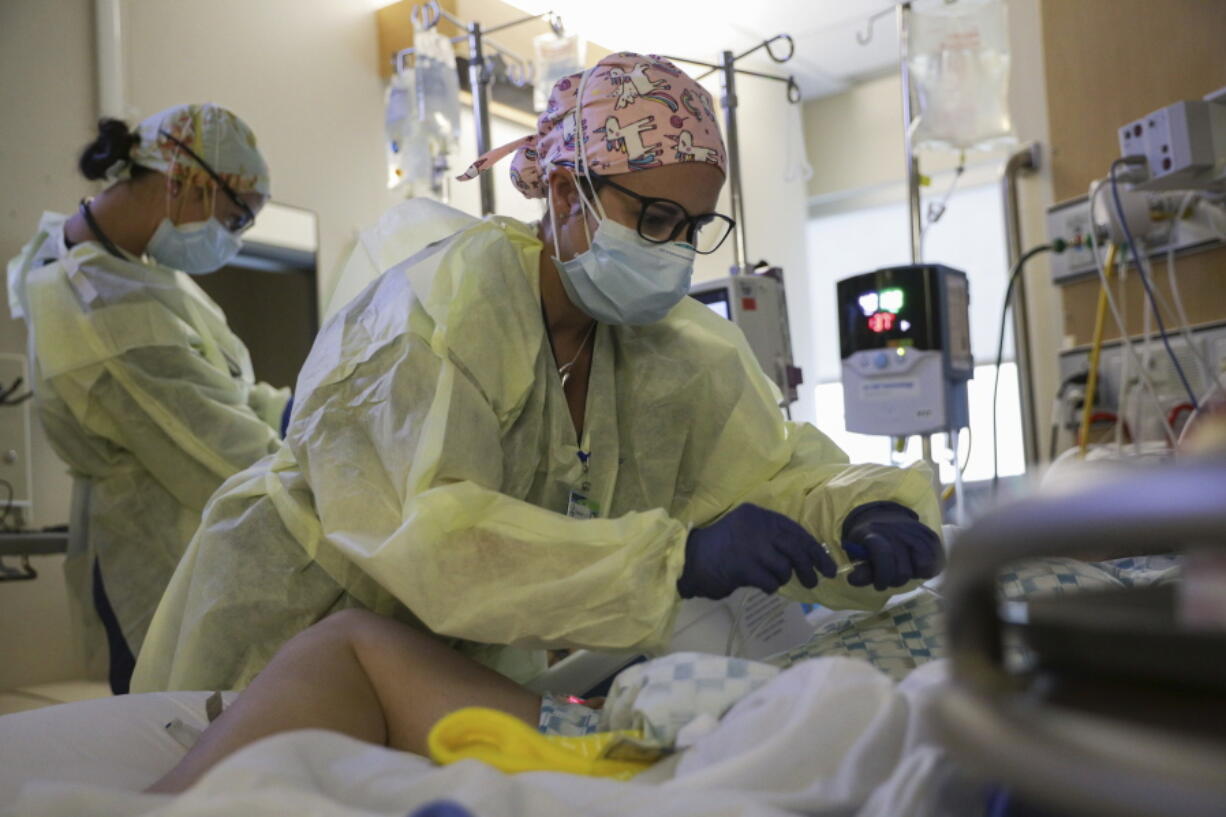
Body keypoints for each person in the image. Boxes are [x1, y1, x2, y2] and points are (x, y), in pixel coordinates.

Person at [132, 54, 942, 696]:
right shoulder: (437, 310)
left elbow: (771, 467)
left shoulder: (663, 345)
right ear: (563, 190)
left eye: (695, 227)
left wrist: (861, 507)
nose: (675, 250)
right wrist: (675, 559)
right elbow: (438, 543)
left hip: (447, 670)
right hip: (290, 633)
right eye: (654, 219)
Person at [5, 103, 289, 693]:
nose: (232, 241)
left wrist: (295, 406)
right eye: (236, 219)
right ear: (186, 182)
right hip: (161, 548)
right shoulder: (102, 310)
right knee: (179, 729)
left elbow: (215, 384)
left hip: (179, 531)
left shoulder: (125, 266)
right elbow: (220, 453)